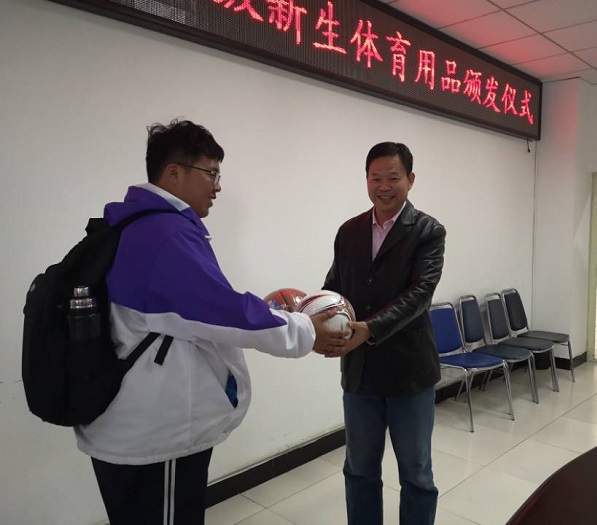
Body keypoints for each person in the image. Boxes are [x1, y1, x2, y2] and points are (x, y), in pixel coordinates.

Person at [74, 119, 347, 525]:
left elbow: (196, 311)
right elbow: (224, 312)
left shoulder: (132, 224)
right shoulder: (165, 234)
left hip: (128, 425)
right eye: (211, 174)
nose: (218, 187)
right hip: (157, 438)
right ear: (174, 173)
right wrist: (306, 331)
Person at [322, 142, 446, 525]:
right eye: (376, 178)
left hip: (410, 375)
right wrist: (315, 315)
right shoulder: (349, 231)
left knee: (416, 474)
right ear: (366, 180)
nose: (384, 186)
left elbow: (419, 295)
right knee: (359, 470)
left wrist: (370, 328)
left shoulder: (427, 231)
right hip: (359, 375)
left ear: (411, 179)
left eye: (393, 177)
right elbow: (334, 287)